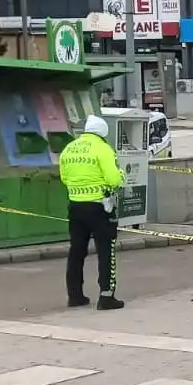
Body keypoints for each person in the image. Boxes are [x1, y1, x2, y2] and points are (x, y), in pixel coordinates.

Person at [59, 113, 125, 310]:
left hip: (75, 206)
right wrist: (122, 174)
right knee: (106, 250)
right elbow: (114, 179)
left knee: (76, 250)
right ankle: (106, 296)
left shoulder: (69, 148)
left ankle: (75, 295)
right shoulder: (103, 149)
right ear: (103, 133)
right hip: (99, 207)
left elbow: (64, 176)